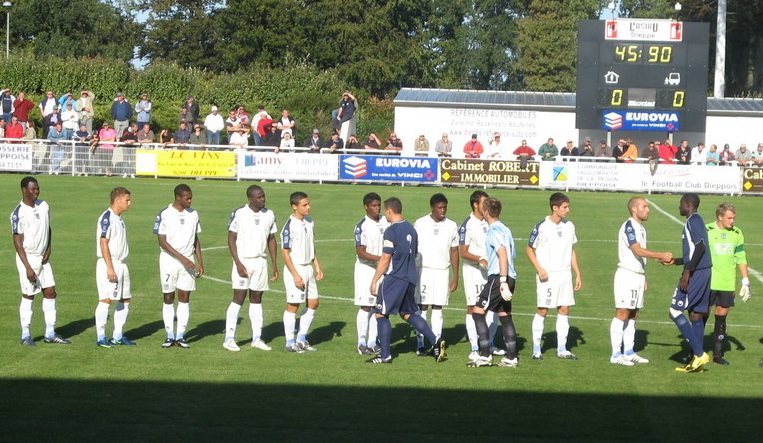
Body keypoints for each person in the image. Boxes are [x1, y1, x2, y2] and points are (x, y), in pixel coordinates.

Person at [366, 197, 446, 364]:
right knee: (408, 313)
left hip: (396, 277)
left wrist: (375, 280)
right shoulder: (411, 228)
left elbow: (386, 257)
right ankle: (436, 341)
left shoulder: (391, 231)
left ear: (389, 211)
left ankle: (385, 355)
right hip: (410, 277)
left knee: (381, 313)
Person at [609, 197, 673, 366]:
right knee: (622, 313)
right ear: (634, 210)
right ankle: (616, 354)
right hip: (627, 275)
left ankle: (628, 352)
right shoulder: (629, 226)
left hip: (637, 275)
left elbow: (639, 254)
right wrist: (659, 255)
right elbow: (637, 249)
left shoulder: (641, 228)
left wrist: (643, 275)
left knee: (634, 314)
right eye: (644, 206)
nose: (648, 209)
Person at [11, 177, 71, 346]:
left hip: (44, 258)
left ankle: (50, 333)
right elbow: (17, 242)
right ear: (24, 190)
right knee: (29, 295)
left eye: (37, 188)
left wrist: (49, 248)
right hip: (28, 258)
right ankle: (25, 334)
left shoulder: (44, 206)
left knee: (50, 292)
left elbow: (48, 227)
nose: (36, 191)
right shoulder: (18, 213)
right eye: (33, 189)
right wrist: (28, 268)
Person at [526, 192, 582, 360]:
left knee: (564, 309)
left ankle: (562, 349)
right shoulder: (541, 227)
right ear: (555, 208)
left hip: (565, 275)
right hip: (548, 276)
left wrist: (577, 273)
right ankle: (537, 348)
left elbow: (572, 250)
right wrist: (539, 268)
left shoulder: (569, 226)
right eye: (565, 207)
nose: (568, 210)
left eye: (568, 206)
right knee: (543, 309)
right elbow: (529, 249)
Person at [223, 185, 279, 352]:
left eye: (263, 196)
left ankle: (256, 338)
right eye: (259, 197)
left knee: (257, 298)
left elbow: (271, 239)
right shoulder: (239, 213)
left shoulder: (269, 214)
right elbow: (231, 238)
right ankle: (229, 338)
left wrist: (274, 263)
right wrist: (238, 263)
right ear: (250, 199)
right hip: (244, 261)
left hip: (260, 262)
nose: (263, 199)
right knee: (238, 298)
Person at [467, 197, 518, 368]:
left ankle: (485, 354)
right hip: (510, 276)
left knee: (477, 312)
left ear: (486, 211)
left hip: (499, 277)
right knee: (504, 315)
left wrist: (502, 280)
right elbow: (512, 254)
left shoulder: (494, 231)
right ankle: (511, 358)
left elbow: (502, 253)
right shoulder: (506, 229)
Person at [666, 193, 713, 373]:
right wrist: (677, 261)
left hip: (696, 273)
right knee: (695, 314)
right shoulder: (696, 220)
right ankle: (696, 361)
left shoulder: (693, 220)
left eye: (680, 204)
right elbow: (694, 251)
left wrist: (687, 271)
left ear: (687, 204)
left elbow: (700, 247)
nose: (679, 207)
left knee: (674, 310)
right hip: (702, 270)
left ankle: (699, 353)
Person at [153, 184, 203, 349]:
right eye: (187, 198)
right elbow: (162, 241)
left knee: (185, 297)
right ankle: (169, 336)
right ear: (177, 197)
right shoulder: (165, 214)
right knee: (168, 297)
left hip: (188, 262)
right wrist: (183, 259)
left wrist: (200, 261)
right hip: (169, 261)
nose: (190, 201)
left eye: (191, 197)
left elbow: (195, 239)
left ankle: (181, 336)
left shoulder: (193, 214)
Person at [704, 203, 750, 365]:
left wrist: (745, 281)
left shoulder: (737, 233)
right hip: (708, 282)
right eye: (729, 218)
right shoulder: (707, 230)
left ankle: (717, 355)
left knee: (721, 318)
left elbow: (741, 257)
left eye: (734, 218)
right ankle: (694, 352)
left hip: (727, 283)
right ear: (720, 217)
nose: (732, 221)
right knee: (701, 316)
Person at [459, 191, 503, 359]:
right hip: (474, 272)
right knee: (473, 308)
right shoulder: (467, 225)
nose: (487, 204)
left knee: (493, 307)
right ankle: (475, 348)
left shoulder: (490, 222)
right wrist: (480, 259)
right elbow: (463, 252)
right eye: (484, 202)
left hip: (491, 272)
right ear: (475, 205)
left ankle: (490, 343)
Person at [414, 193, 459, 355]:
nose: (443, 210)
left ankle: (436, 343)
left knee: (438, 307)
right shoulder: (420, 223)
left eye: (445, 207)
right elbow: (412, 248)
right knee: (423, 307)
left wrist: (456, 276)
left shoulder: (452, 225)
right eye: (439, 207)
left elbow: (454, 251)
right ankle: (420, 343)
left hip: (442, 271)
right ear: (432, 207)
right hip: (423, 270)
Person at [281, 192, 324, 352]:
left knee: (313, 303)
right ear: (294, 206)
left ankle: (301, 338)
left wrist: (317, 265)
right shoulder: (290, 226)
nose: (308, 207)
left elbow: (311, 245)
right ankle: (289, 342)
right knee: (293, 305)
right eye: (304, 205)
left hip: (308, 267)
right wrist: (295, 275)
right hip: (296, 268)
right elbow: (285, 252)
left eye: (308, 204)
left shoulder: (309, 222)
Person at [94, 187, 135, 348]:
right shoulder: (107, 218)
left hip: (121, 264)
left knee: (125, 298)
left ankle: (117, 335)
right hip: (109, 263)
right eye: (127, 200)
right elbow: (103, 242)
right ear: (117, 201)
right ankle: (101, 336)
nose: (130, 203)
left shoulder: (119, 218)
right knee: (106, 299)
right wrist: (109, 267)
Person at [353, 192, 388, 355]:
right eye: (373, 205)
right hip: (366, 269)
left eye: (378, 205)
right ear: (366, 207)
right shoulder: (361, 226)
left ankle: (373, 342)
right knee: (366, 306)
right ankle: (361, 342)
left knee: (377, 307)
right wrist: (381, 258)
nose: (377, 208)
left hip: (382, 269)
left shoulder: (385, 221)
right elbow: (361, 252)